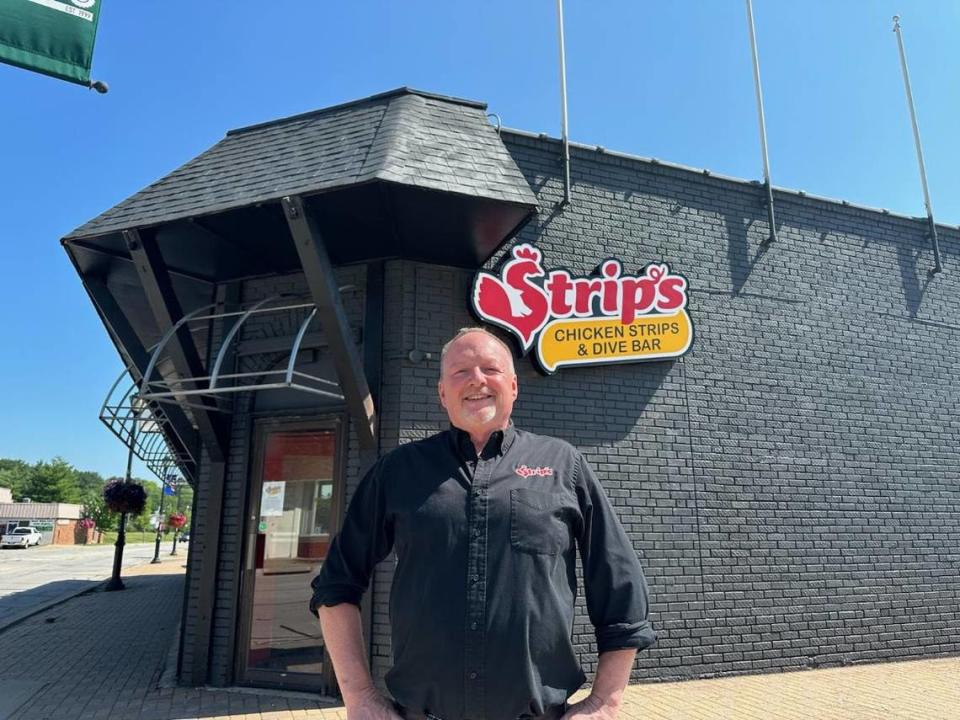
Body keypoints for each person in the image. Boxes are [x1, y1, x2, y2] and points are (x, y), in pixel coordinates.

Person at [310, 327, 655, 720]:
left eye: (490, 368)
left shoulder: (564, 465)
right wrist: (359, 697)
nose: (477, 380)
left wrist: (606, 702)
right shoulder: (397, 472)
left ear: (512, 386)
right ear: (442, 393)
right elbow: (336, 582)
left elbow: (621, 587)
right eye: (461, 371)